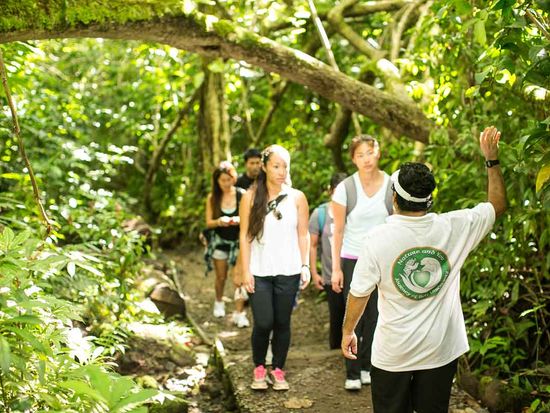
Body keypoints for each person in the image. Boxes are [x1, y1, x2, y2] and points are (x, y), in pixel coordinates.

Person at [342, 126, 506, 413]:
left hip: (393, 353)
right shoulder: (455, 227)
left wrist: (348, 332)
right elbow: (497, 204)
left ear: (394, 198)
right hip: (440, 351)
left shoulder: (377, 239)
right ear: (429, 199)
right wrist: (491, 159)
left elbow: (359, 293)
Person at [238, 144, 311, 391]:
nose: (281, 171)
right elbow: (245, 237)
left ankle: (278, 369)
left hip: (288, 270)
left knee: (282, 322)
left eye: (284, 166)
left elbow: (303, 234)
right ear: (265, 167)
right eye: (276, 166)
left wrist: (305, 265)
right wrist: (245, 271)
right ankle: (259, 366)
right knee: (263, 322)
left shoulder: (297, 197)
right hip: (259, 271)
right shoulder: (250, 197)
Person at [331, 135, 393, 390]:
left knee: (376, 316)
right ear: (353, 159)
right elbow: (338, 230)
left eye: (370, 152)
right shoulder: (345, 188)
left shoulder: (391, 184)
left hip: (382, 259)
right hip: (352, 258)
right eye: (360, 155)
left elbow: (396, 223)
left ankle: (368, 365)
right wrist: (335, 268)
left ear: (378, 153)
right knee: (354, 316)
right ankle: (352, 372)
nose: (366, 159)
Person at [204, 161, 249, 328]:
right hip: (220, 241)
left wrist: (239, 220)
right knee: (221, 276)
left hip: (239, 242)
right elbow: (208, 222)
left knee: (239, 279)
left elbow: (249, 220)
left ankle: (240, 312)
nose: (226, 184)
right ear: (217, 181)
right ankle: (219, 301)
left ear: (234, 179)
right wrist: (219, 221)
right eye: (222, 180)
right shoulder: (212, 198)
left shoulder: (242, 195)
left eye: (228, 180)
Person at [309, 172, 347, 350]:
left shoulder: (355, 212)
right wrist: (313, 272)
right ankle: (336, 350)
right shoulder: (320, 214)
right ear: (330, 191)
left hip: (354, 272)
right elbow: (313, 245)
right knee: (336, 314)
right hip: (330, 274)